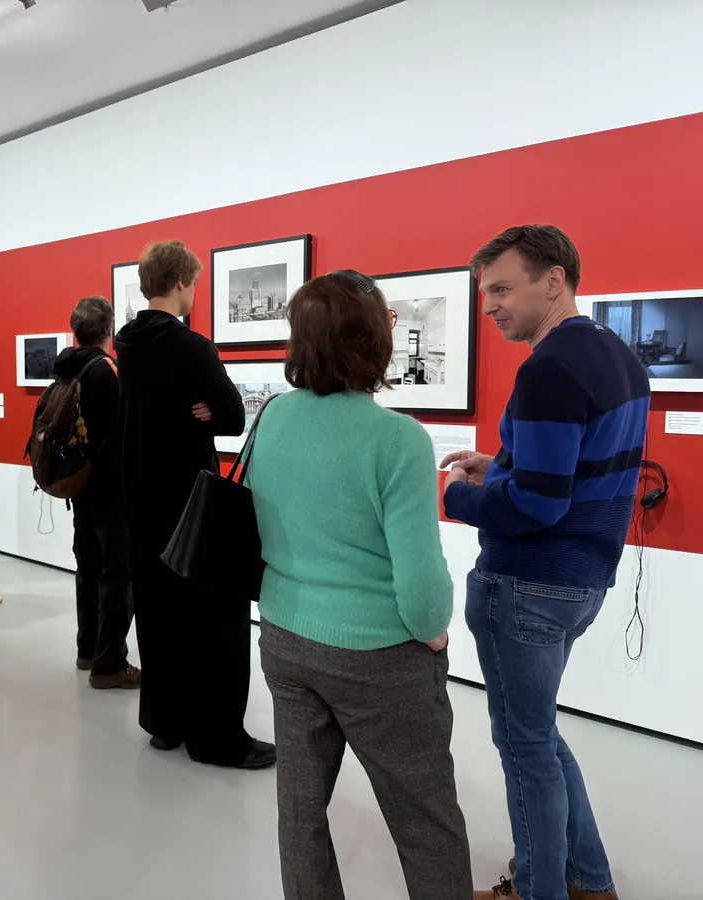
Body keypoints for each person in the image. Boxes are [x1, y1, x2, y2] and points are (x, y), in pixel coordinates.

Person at [250, 270, 472, 900]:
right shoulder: (398, 439)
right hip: (378, 656)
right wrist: (432, 632)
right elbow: (421, 585)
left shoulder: (274, 416)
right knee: (426, 820)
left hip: (285, 636)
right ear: (376, 341)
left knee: (300, 810)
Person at [443, 226, 647, 900]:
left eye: (502, 289)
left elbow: (537, 506)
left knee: (526, 747)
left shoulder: (548, 368)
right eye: (486, 293)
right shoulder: (618, 355)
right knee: (539, 736)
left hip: (527, 583)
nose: (490, 306)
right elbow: (571, 472)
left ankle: (539, 891)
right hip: (582, 580)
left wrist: (456, 497)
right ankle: (589, 880)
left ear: (553, 279)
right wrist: (500, 465)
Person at [114, 240, 274, 770]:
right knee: (213, 617)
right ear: (182, 281)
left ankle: (165, 723)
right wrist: (207, 411)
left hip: (141, 499)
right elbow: (232, 416)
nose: (195, 292)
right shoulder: (192, 347)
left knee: (156, 610)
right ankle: (216, 739)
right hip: (189, 499)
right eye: (195, 283)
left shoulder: (126, 344)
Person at [57, 296, 140, 690]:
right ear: (109, 330)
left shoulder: (67, 369)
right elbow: (124, 433)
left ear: (76, 331)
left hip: (82, 487)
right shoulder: (107, 371)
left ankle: (87, 649)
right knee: (117, 575)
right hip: (112, 491)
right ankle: (109, 663)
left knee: (88, 568)